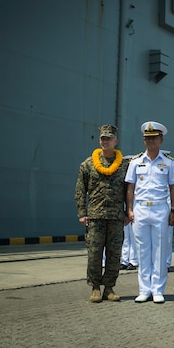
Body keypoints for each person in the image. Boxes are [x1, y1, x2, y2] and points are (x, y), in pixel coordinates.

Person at [125, 121, 174, 304]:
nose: (150, 141)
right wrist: (129, 209)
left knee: (160, 251)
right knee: (142, 250)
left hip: (160, 209)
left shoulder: (168, 162)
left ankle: (157, 289)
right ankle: (144, 289)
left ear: (161, 139)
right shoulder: (135, 162)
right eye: (147, 139)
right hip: (140, 209)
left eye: (154, 138)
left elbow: (173, 188)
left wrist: (173, 210)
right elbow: (130, 187)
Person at [75, 124, 129, 303]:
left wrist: (128, 212)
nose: (106, 141)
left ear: (116, 141)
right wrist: (82, 212)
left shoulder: (124, 165)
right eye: (103, 138)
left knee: (114, 254)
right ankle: (95, 287)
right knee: (95, 254)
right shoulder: (88, 164)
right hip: (95, 216)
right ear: (99, 141)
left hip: (115, 217)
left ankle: (110, 288)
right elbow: (80, 189)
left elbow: (130, 190)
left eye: (109, 138)